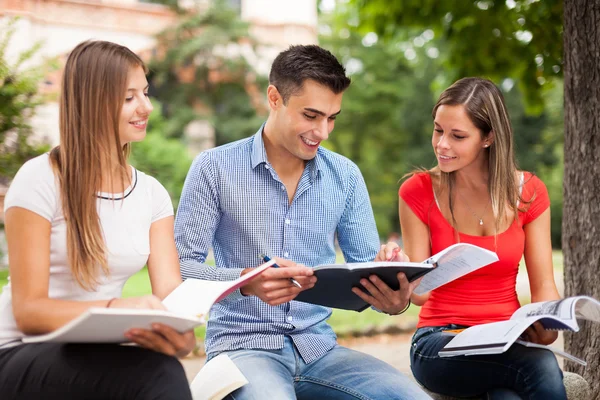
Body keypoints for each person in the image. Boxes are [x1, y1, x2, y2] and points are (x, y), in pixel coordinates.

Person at [174, 44, 430, 399]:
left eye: (332, 118)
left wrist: (393, 295)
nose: (323, 132)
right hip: (242, 348)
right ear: (274, 98)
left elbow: (366, 268)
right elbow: (180, 269)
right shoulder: (213, 168)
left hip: (319, 348)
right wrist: (246, 281)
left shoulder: (346, 176)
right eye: (311, 116)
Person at [0, 40, 195, 400]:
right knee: (156, 376)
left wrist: (178, 336)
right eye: (128, 97)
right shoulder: (40, 178)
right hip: (16, 351)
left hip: (92, 350)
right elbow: (29, 312)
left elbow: (172, 299)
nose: (146, 107)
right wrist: (117, 307)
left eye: (146, 93)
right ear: (93, 103)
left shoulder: (152, 194)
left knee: (163, 367)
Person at [399, 77, 566, 399]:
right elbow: (418, 294)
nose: (441, 144)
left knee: (507, 396)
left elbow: (544, 286)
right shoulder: (418, 190)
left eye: (457, 136)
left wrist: (546, 325)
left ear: (488, 138)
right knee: (541, 364)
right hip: (439, 341)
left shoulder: (529, 193)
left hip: (507, 338)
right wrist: (401, 270)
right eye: (438, 130)